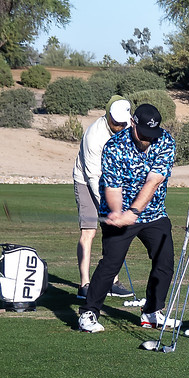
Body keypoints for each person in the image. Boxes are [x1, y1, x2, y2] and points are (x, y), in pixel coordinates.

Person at [77, 104, 178, 333]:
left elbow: (154, 181)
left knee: (165, 262)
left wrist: (133, 213)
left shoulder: (165, 141)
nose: (147, 140)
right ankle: (88, 313)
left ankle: (152, 312)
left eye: (151, 135)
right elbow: (113, 187)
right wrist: (116, 212)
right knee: (110, 264)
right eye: (143, 134)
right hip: (119, 211)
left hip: (153, 213)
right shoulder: (114, 147)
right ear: (133, 123)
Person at [73, 97, 135, 301]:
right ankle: (84, 284)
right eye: (115, 122)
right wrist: (108, 206)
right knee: (89, 231)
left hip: (115, 181)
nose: (118, 126)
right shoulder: (94, 136)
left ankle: (112, 281)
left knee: (114, 231)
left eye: (122, 123)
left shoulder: (129, 127)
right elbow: (93, 176)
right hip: (87, 180)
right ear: (107, 115)